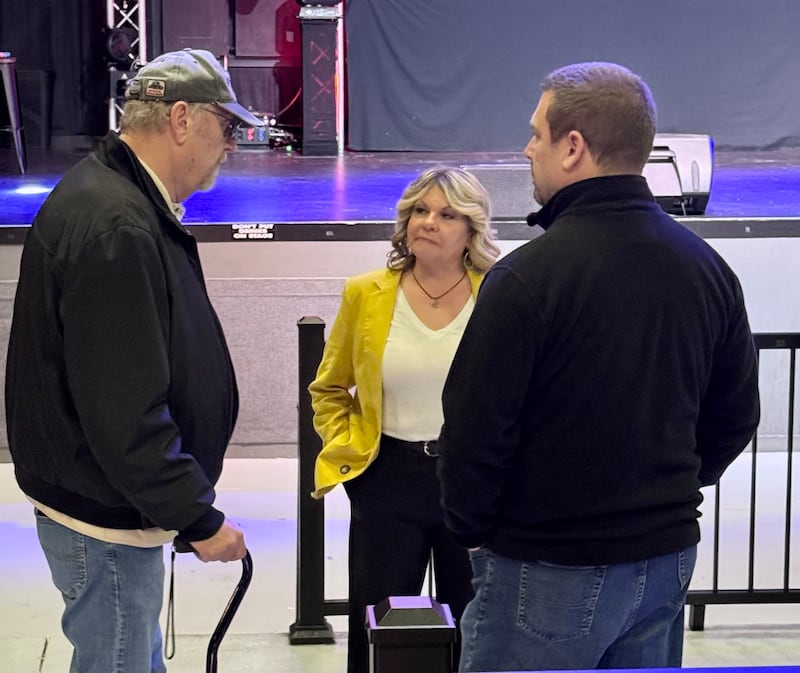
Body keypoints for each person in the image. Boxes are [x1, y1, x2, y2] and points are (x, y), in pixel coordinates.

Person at [437, 61, 761, 673]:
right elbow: (736, 412)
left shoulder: (528, 278)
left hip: (545, 565)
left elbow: (476, 430)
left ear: (574, 147)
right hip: (664, 561)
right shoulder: (706, 268)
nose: (527, 148)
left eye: (536, 134)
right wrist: (666, 495)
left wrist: (475, 531)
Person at [5, 48, 265, 673]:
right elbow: (125, 411)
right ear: (181, 120)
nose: (229, 145)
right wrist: (197, 517)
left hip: (106, 507)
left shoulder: (116, 198)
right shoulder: (117, 224)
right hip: (106, 520)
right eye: (224, 126)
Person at [309, 166, 501, 673]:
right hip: (387, 478)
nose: (428, 222)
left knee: (474, 624)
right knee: (378, 626)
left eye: (446, 214)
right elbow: (329, 389)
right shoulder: (365, 293)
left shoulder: (500, 294)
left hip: (473, 480)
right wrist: (354, 457)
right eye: (420, 210)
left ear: (472, 229)